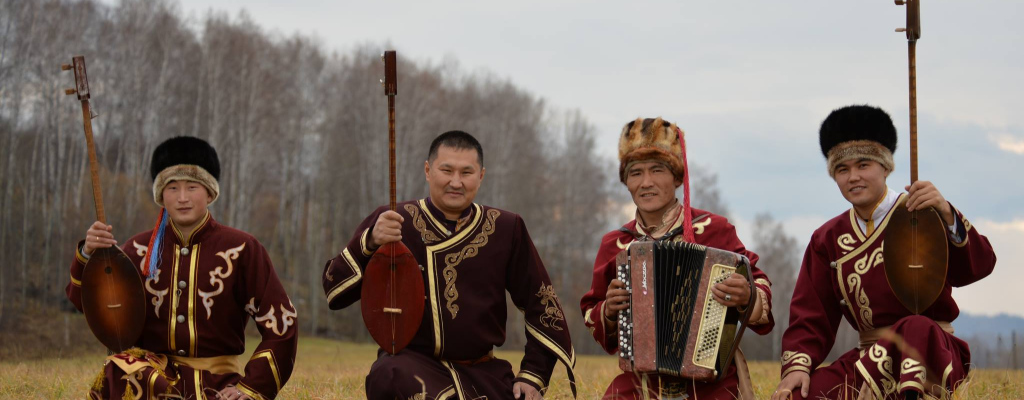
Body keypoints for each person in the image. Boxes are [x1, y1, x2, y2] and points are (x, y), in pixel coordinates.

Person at [322, 130, 577, 400]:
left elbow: (542, 302)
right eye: (447, 170)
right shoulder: (394, 219)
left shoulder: (506, 227)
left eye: (466, 173)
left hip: (484, 372)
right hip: (411, 369)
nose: (456, 182)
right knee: (388, 374)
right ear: (428, 170)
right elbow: (333, 290)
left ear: (481, 176)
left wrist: (533, 375)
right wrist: (369, 241)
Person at [771, 105, 997, 400]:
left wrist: (946, 213)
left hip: (931, 351)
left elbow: (978, 267)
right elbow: (811, 315)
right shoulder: (827, 239)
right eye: (842, 169)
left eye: (863, 165)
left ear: (886, 167)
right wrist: (797, 366)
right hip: (870, 359)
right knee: (803, 395)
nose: (853, 177)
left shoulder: (923, 214)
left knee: (915, 328)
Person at [67, 136, 298, 400]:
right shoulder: (138, 250)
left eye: (192, 187)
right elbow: (88, 304)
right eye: (173, 188)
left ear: (210, 193)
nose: (182, 198)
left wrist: (251, 387)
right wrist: (88, 253)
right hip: (153, 383)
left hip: (219, 385)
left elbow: (282, 323)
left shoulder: (242, 249)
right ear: (161, 195)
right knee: (120, 370)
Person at [580, 117, 775, 400]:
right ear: (626, 182)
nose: (646, 183)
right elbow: (591, 310)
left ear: (677, 177)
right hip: (642, 379)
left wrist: (747, 295)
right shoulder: (616, 244)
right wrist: (608, 311)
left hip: (710, 378)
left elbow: (759, 282)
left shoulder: (714, 229)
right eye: (635, 173)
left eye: (657, 170)